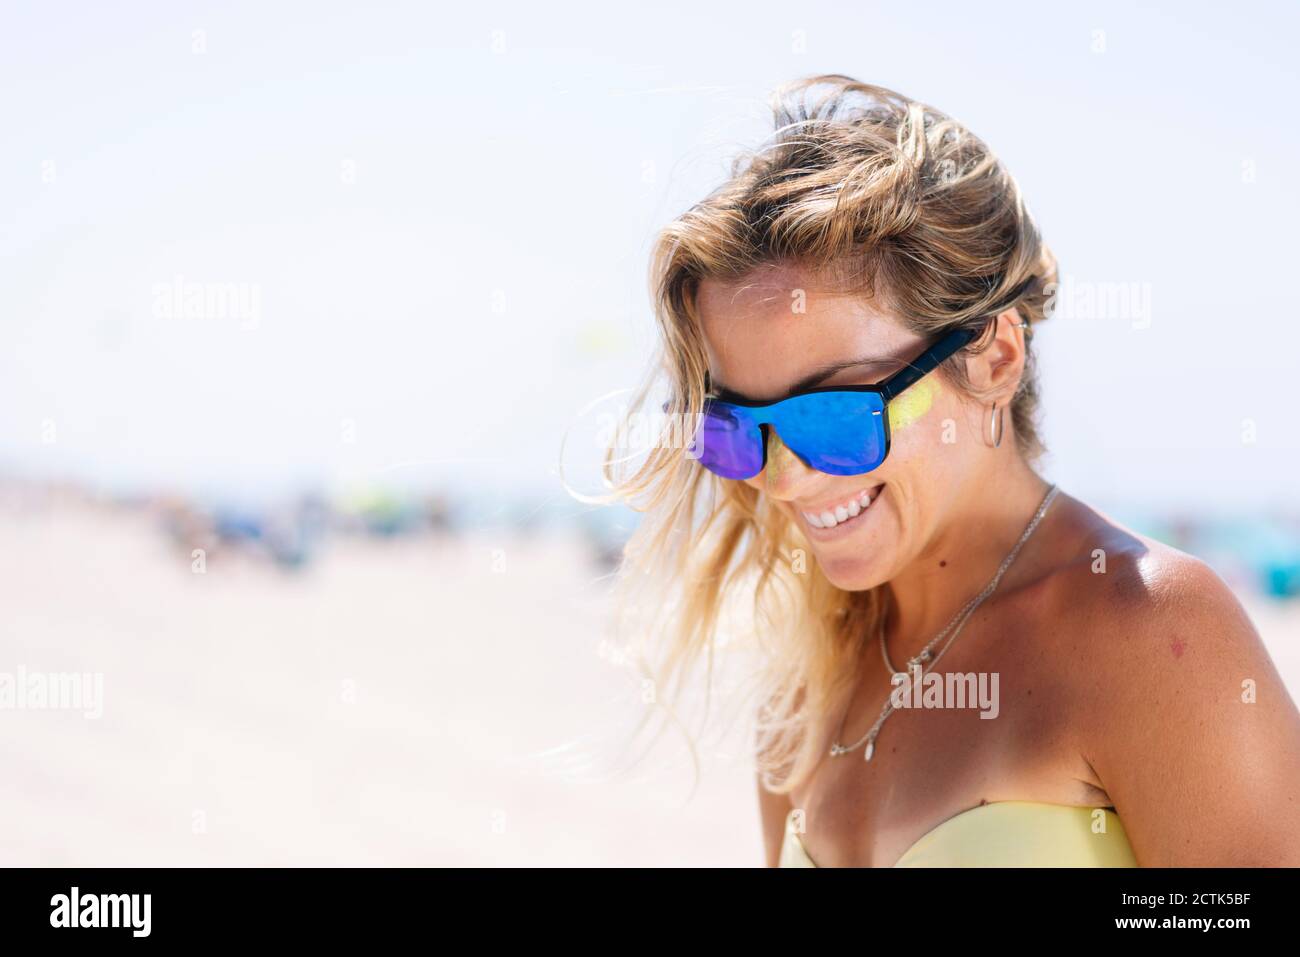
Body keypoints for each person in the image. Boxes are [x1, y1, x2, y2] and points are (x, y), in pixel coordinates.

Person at [604, 75, 1300, 867]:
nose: (783, 477)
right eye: (734, 428)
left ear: (993, 356)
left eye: (834, 417)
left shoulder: (1152, 630)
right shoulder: (806, 685)